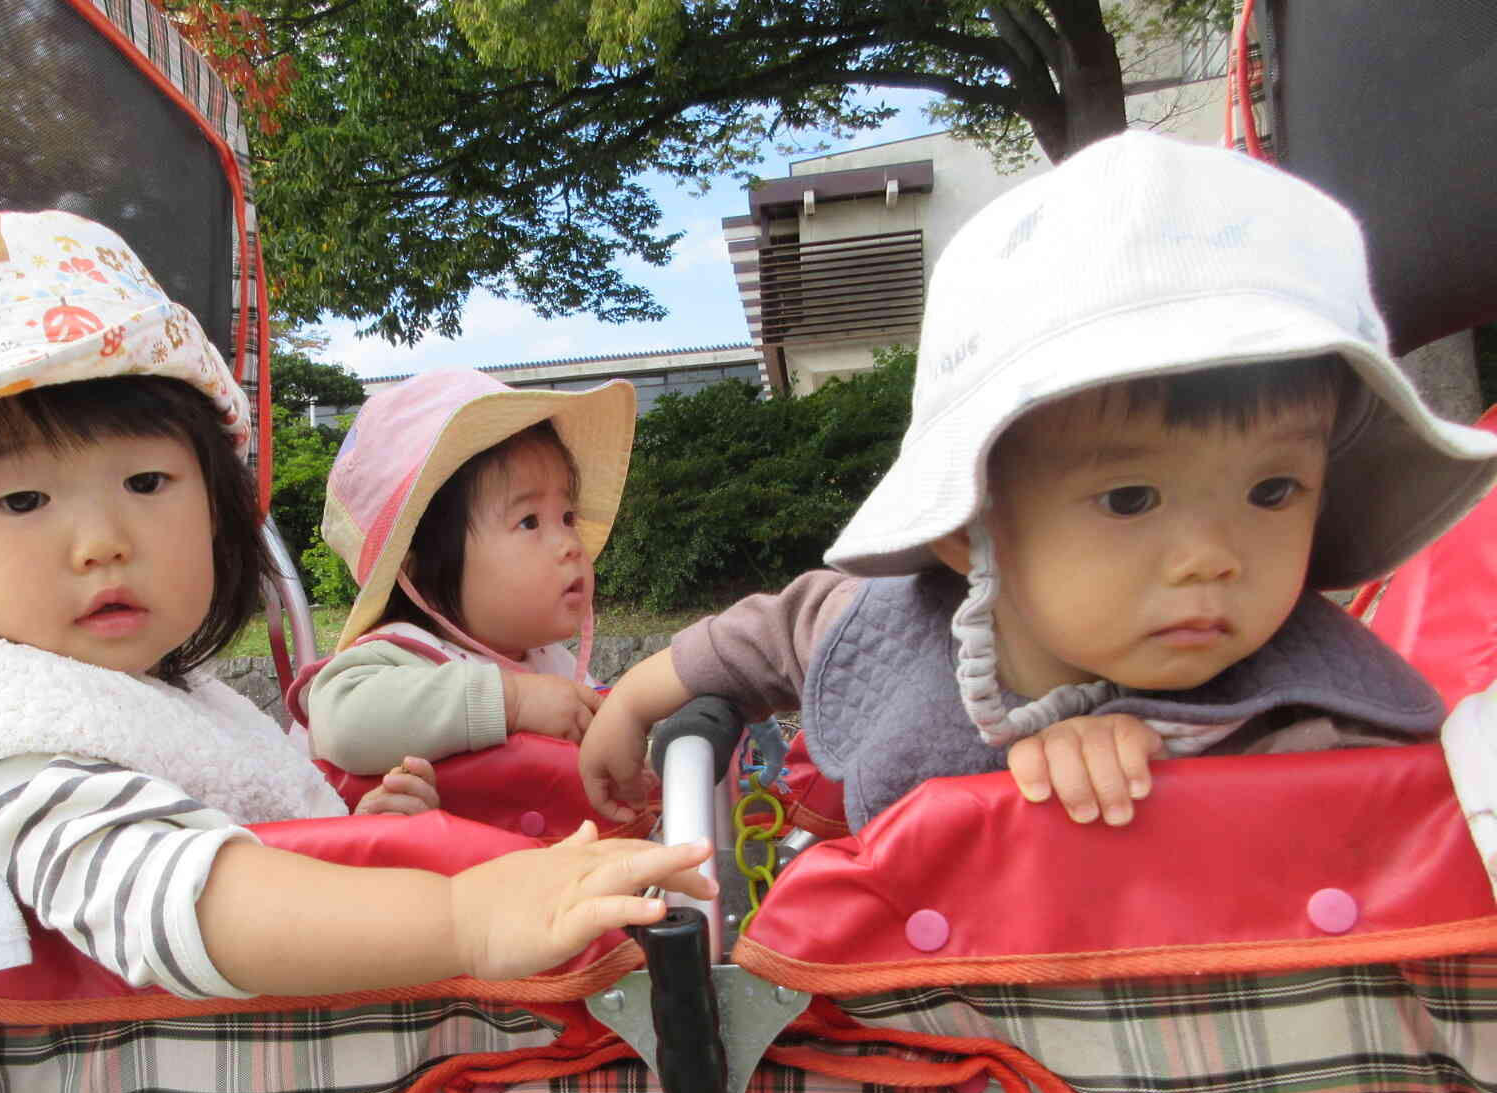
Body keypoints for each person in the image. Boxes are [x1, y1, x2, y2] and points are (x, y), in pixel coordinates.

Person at [0, 210, 710, 1003]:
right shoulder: (8, 738)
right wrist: (459, 916)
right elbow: (164, 895)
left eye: (145, 482)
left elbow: (263, 847)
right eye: (22, 501)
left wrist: (355, 840)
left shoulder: (176, 704)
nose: (100, 540)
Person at [580, 132, 1497, 834]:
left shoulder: (1320, 724)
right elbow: (774, 633)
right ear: (967, 527)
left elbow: (1380, 869)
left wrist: (1167, 790)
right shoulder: (897, 622)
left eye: (1272, 492)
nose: (1214, 558)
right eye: (1131, 499)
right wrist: (634, 698)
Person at [292, 369, 632, 780]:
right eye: (529, 522)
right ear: (417, 568)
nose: (570, 544)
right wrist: (511, 702)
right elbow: (341, 725)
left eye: (567, 516)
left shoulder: (553, 666)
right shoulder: (401, 655)